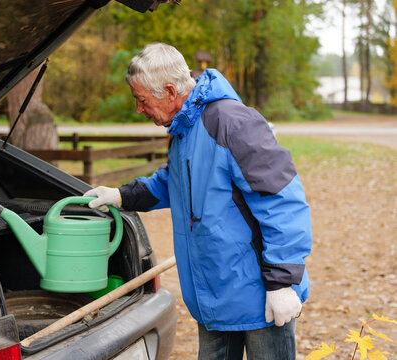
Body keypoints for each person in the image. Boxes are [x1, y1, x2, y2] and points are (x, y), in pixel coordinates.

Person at [84, 42, 312, 360]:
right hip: (213, 295)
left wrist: (282, 282)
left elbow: (282, 200)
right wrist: (121, 195)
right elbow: (172, 181)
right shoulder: (184, 130)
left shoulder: (233, 123)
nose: (139, 109)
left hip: (259, 296)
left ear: (168, 90)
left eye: (142, 100)